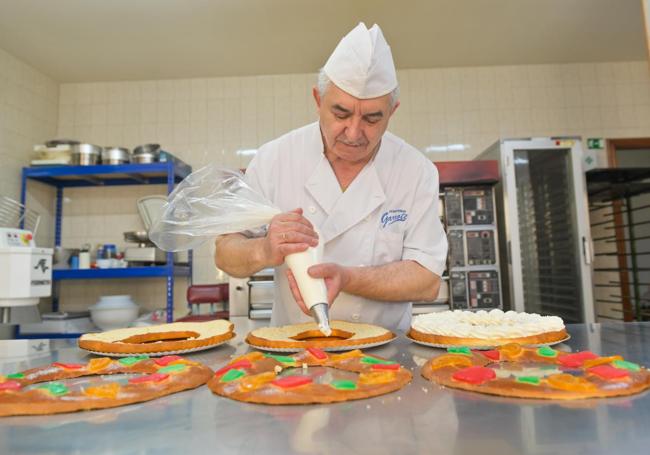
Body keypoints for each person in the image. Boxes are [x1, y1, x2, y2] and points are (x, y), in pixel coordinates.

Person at [215, 22, 447, 331]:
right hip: (295, 353)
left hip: (385, 356)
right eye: (340, 114)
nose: (353, 133)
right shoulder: (275, 159)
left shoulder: (415, 171)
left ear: (392, 112)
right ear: (317, 100)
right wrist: (264, 249)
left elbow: (427, 280)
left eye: (371, 118)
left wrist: (348, 278)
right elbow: (225, 254)